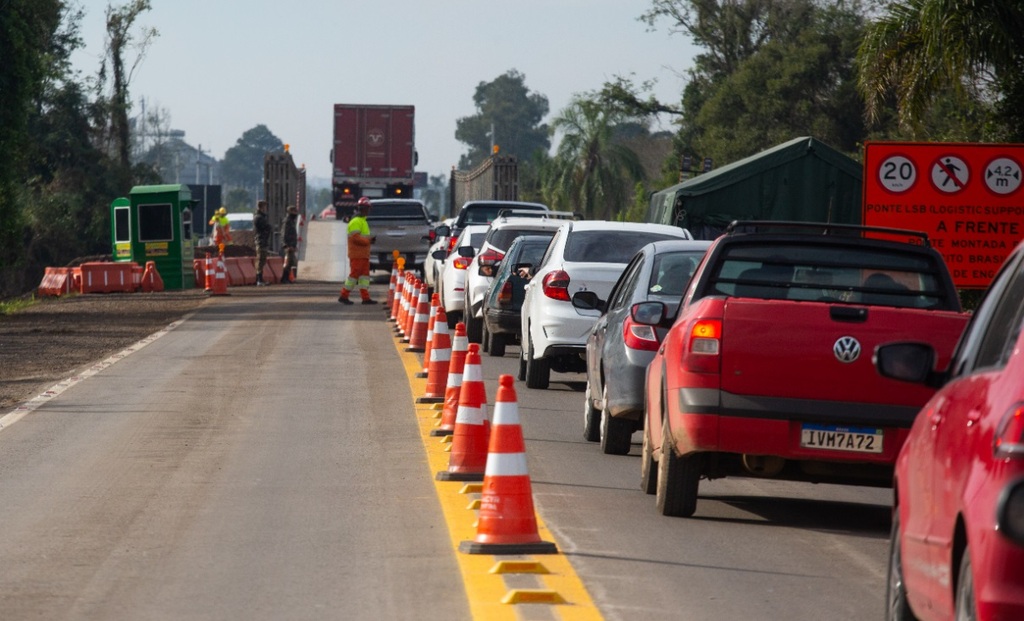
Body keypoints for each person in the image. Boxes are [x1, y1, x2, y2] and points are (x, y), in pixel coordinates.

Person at [338, 197, 376, 304]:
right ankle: (343, 295)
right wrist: (368, 241)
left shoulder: (362, 221)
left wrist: (369, 240)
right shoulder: (356, 221)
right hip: (357, 254)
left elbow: (360, 237)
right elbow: (355, 237)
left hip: (363, 255)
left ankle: (365, 298)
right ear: (363, 209)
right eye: (368, 209)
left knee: (364, 277)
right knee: (354, 276)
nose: (369, 211)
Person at [253, 200, 273, 286]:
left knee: (263, 260)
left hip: (263, 240)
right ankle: (259, 280)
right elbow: (265, 227)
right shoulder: (258, 218)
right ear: (261, 207)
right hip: (260, 240)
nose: (266, 209)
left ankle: (260, 279)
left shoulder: (262, 217)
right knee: (260, 260)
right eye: (264, 207)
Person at [280, 205, 299, 283]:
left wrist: (294, 245)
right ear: (290, 211)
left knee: (291, 262)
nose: (296, 213)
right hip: (288, 246)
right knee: (288, 262)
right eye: (294, 211)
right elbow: (284, 234)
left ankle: (287, 278)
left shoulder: (291, 221)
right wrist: (286, 245)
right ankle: (284, 278)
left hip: (291, 245)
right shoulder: (287, 221)